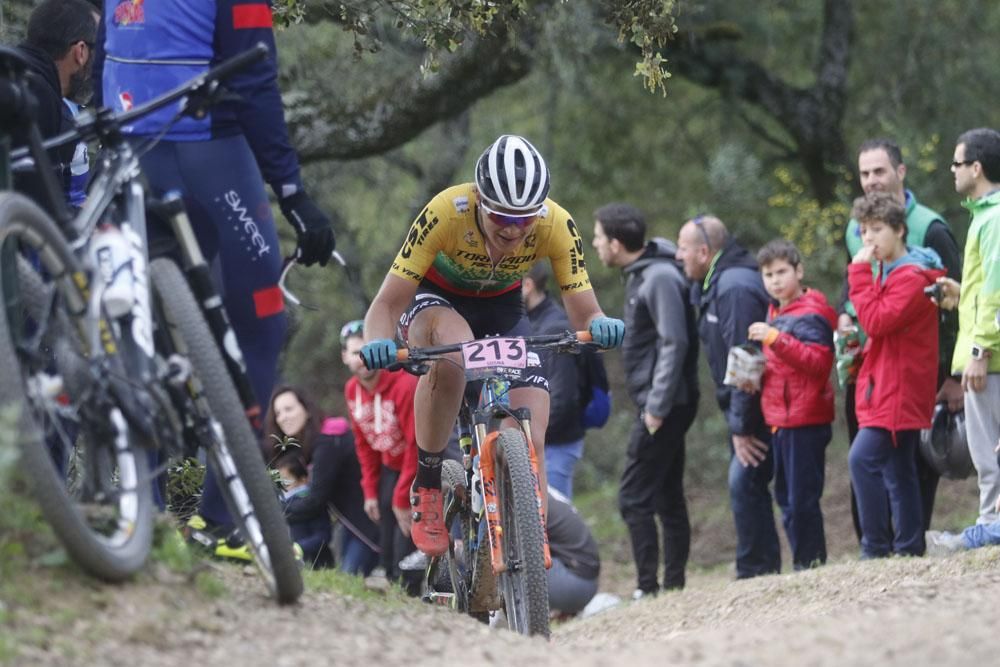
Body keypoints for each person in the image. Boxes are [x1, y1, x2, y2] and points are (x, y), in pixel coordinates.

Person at [101, 0, 337, 532]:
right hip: (211, 161)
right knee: (262, 323)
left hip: (131, 153)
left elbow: (104, 58)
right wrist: (292, 193)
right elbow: (255, 82)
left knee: (137, 324)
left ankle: (144, 504)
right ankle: (222, 515)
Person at [358, 134, 625, 557]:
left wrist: (602, 324)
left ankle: (529, 535)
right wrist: (376, 342)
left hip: (502, 309)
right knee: (455, 348)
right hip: (434, 302)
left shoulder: (556, 223)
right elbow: (387, 304)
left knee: (530, 424)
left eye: (526, 219)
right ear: (480, 200)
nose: (515, 230)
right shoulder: (446, 212)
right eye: (502, 216)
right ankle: (427, 482)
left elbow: (584, 314)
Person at [838, 138, 963, 539]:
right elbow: (857, 293)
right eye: (865, 173)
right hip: (871, 367)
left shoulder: (930, 227)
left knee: (897, 463)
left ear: (900, 172)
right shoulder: (855, 230)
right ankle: (895, 545)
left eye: (880, 171)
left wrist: (953, 374)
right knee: (894, 463)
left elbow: (957, 301)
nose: (872, 180)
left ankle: (888, 545)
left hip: (916, 372)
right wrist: (844, 314)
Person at [591, 203, 698, 595]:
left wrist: (655, 407)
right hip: (661, 402)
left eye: (599, 238)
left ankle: (648, 588)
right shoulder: (642, 274)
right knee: (667, 494)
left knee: (633, 497)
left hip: (664, 405)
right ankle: (672, 586)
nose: (596, 245)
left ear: (617, 244)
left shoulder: (658, 278)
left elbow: (675, 343)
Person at [675, 214, 780, 579]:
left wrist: (741, 426)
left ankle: (756, 569)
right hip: (749, 407)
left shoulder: (733, 287)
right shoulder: (712, 283)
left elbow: (747, 357)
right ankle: (759, 566)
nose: (678, 256)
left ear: (704, 252)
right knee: (749, 483)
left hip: (763, 407)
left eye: (683, 249)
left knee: (746, 480)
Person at [847, 192, 944, 558]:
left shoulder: (912, 277)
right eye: (863, 231)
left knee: (862, 460)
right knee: (898, 467)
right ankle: (908, 546)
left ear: (900, 230)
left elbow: (877, 320)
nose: (868, 239)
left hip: (899, 389)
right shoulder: (889, 274)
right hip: (886, 385)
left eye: (876, 229)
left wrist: (858, 273)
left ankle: (875, 547)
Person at [747, 239, 836, 569]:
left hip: (805, 419)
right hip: (780, 418)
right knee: (786, 497)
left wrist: (775, 338)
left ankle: (810, 562)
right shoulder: (775, 311)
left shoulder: (811, 313)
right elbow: (782, 368)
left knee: (801, 500)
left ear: (799, 271)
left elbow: (818, 364)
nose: (775, 280)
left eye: (782, 272)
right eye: (768, 275)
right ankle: (805, 561)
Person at [937, 128, 1000, 525]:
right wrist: (961, 293)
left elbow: (997, 290)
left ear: (976, 168)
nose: (952, 171)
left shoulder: (993, 219)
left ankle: (990, 526)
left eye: (957, 163)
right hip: (987, 355)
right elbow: (985, 288)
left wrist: (980, 350)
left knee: (988, 449)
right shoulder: (985, 217)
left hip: (988, 360)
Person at [261, 386, 380, 576]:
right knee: (344, 578)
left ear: (307, 410)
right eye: (278, 413)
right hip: (354, 522)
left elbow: (316, 500)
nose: (283, 417)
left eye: (289, 409)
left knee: (349, 579)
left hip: (371, 520)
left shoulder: (329, 440)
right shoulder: (313, 442)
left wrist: (272, 514)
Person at [521, 262, 610, 499]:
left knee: (552, 523)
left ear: (528, 285)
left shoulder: (554, 330)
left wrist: (531, 439)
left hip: (555, 445)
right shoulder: (531, 323)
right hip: (543, 441)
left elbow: (562, 398)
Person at [340, 320, 419, 585]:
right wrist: (370, 490)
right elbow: (364, 444)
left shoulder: (404, 385)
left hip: (416, 464)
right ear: (344, 357)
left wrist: (402, 495)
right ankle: (391, 579)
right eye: (354, 353)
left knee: (406, 528)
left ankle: (411, 585)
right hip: (390, 467)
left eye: (366, 351)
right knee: (384, 523)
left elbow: (416, 442)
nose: (362, 360)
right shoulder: (352, 390)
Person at [11, 0, 99, 211]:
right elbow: (42, 206)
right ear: (81, 52)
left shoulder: (16, 74)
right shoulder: (37, 94)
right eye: (100, 51)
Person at [546, 489, 600, 617]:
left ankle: (500, 627)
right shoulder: (548, 493)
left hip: (573, 585)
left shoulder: (528, 500)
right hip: (587, 582)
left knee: (512, 562)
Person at [274, 453, 334, 569]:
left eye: (287, 480)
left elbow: (323, 536)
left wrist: (299, 548)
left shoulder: (310, 503)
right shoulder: (280, 502)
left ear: (303, 480)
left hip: (314, 562)